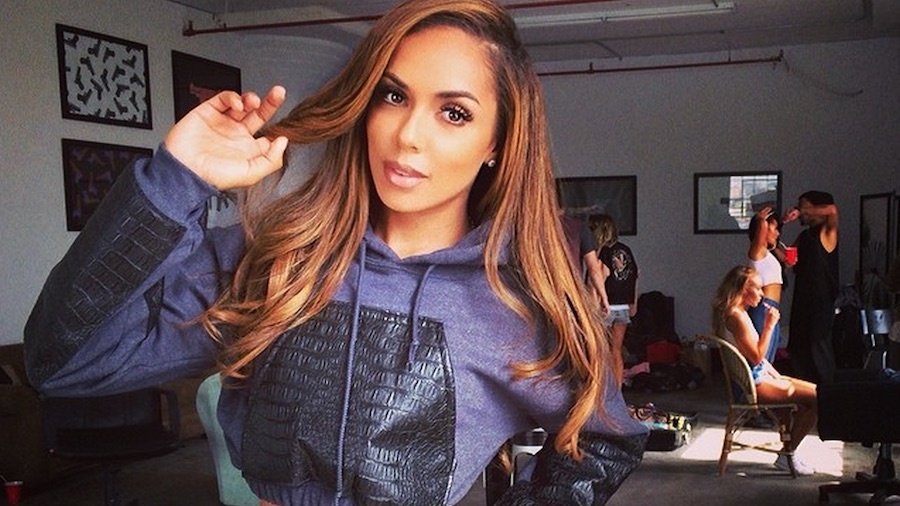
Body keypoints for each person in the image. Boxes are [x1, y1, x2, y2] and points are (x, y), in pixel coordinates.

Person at [23, 1, 648, 504]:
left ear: (496, 143)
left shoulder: (516, 304)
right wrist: (176, 178)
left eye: (454, 113)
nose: (408, 135)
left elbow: (605, 438)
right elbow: (62, 363)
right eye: (393, 96)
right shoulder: (275, 256)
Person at [711, 265, 819, 475]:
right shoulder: (736, 316)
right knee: (817, 399)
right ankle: (788, 454)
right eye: (758, 288)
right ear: (744, 288)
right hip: (754, 384)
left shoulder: (736, 312)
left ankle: (789, 451)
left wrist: (778, 376)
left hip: (758, 377)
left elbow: (755, 359)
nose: (762, 294)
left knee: (815, 393)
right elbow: (757, 356)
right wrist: (769, 326)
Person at [782, 190, 839, 384]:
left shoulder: (827, 232)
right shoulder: (805, 236)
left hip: (820, 303)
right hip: (801, 301)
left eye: (803, 206)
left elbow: (832, 210)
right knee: (799, 348)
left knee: (818, 348)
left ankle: (827, 392)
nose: (800, 211)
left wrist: (802, 211)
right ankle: (806, 393)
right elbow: (789, 259)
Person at [590, 214, 639, 383]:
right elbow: (636, 276)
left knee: (598, 352)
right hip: (623, 307)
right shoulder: (626, 250)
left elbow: (599, 278)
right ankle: (617, 390)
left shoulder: (603, 252)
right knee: (616, 351)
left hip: (605, 307)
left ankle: (599, 389)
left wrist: (592, 307)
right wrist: (634, 304)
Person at [746, 206, 789, 365]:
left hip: (772, 309)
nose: (777, 233)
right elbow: (762, 228)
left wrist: (782, 221)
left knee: (769, 358)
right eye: (775, 229)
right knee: (761, 359)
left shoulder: (769, 253)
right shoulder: (757, 251)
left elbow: (786, 260)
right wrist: (761, 219)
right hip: (763, 307)